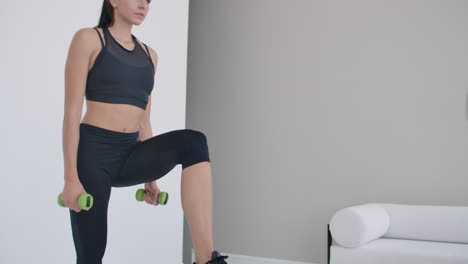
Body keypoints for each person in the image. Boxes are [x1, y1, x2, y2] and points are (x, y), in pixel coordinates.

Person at [61, 0, 229, 263]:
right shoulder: (89, 39)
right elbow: (71, 113)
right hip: (94, 157)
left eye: (148, 1)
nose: (144, 5)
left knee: (194, 142)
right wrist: (71, 179)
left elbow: (144, 121)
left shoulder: (150, 55)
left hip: (130, 153)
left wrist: (150, 177)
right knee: (91, 253)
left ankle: (206, 259)